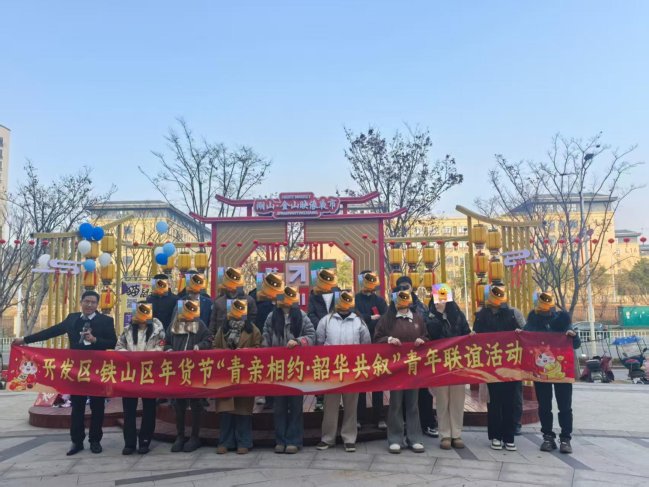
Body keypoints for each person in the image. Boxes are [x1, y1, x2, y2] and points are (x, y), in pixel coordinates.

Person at [13, 290, 117, 456]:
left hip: (97, 370)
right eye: (87, 301)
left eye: (93, 302)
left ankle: (95, 441)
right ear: (81, 302)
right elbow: (51, 332)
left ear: (97, 305)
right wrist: (25, 340)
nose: (89, 305)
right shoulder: (72, 319)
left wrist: (95, 340)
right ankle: (77, 441)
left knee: (97, 407)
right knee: (77, 407)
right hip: (76, 370)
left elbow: (113, 342)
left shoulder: (106, 320)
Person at [524, 292, 580, 454]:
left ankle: (565, 438)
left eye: (547, 310)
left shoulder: (563, 321)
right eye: (542, 310)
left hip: (562, 371)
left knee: (565, 406)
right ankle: (548, 437)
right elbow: (524, 339)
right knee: (544, 406)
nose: (545, 313)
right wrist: (520, 334)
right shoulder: (532, 322)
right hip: (541, 372)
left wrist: (573, 336)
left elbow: (576, 344)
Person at [316, 291, 371, 452]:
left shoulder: (358, 321)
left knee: (351, 405)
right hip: (332, 370)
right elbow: (319, 342)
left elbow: (366, 343)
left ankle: (349, 438)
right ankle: (328, 438)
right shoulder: (326, 320)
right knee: (330, 405)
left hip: (352, 370)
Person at [263, 286, 316, 454]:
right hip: (277, 368)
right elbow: (265, 338)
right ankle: (280, 440)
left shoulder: (302, 315)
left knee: (295, 405)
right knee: (279, 406)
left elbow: (312, 336)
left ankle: (294, 440)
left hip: (296, 368)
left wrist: (298, 341)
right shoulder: (272, 316)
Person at [374, 289, 428, 454]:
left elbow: (427, 336)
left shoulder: (417, 318)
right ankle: (395, 438)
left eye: (405, 297)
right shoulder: (387, 319)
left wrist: (422, 340)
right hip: (395, 368)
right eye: (400, 297)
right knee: (396, 403)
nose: (403, 301)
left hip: (413, 367)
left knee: (413, 403)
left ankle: (415, 438)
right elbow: (376, 338)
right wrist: (389, 339)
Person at [473, 285, 521, 451]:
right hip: (491, 364)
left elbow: (524, 332)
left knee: (510, 402)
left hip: (510, 364)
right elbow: (476, 335)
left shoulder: (512, 314)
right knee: (494, 402)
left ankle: (509, 436)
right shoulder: (481, 315)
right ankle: (495, 436)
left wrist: (519, 332)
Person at [115, 301, 165, 455]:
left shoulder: (158, 330)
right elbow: (119, 347)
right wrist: (130, 357)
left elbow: (161, 348)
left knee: (149, 409)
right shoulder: (127, 330)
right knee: (129, 409)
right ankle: (129, 443)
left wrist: (144, 357)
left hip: (149, 373)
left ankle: (144, 441)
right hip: (130, 373)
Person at [213, 298, 261, 455]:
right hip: (225, 375)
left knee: (243, 411)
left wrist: (247, 353)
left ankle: (244, 442)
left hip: (244, 374)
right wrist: (224, 354)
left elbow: (259, 349)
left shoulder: (252, 329)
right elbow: (214, 347)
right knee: (225, 411)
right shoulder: (222, 329)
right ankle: (225, 442)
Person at [166, 299, 213, 452]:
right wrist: (168, 349)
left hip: (194, 370)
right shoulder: (174, 325)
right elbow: (165, 342)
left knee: (196, 403)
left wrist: (200, 346)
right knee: (178, 404)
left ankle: (194, 436)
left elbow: (209, 339)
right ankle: (180, 436)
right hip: (178, 370)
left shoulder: (199, 324)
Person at [427, 286, 470, 450]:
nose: (440, 301)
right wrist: (438, 314)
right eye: (438, 297)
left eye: (443, 297)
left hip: (457, 363)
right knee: (442, 399)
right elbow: (432, 334)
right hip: (439, 364)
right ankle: (445, 434)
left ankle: (456, 434)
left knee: (457, 400)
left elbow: (465, 333)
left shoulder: (458, 315)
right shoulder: (430, 315)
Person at [395, 275, 438, 438]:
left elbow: (428, 329)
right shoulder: (393, 307)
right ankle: (404, 425)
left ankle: (428, 423)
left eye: (406, 287)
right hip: (399, 358)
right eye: (400, 287)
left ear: (411, 288)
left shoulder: (421, 307)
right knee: (402, 392)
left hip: (420, 356)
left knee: (423, 392)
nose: (403, 290)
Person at [354, 271, 388, 430]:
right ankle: (359, 417)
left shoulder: (380, 300)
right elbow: (355, 317)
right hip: (359, 346)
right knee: (359, 381)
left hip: (377, 345)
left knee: (378, 381)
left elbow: (385, 319)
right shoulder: (354, 299)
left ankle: (379, 417)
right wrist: (370, 318)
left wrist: (369, 319)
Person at [307, 268, 340, 411]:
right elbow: (311, 314)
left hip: (336, 336)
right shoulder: (313, 295)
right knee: (320, 368)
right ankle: (319, 399)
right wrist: (322, 325)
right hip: (320, 337)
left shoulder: (338, 293)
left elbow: (342, 311)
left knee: (335, 369)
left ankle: (336, 399)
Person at [209, 267, 257, 337]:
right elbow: (213, 322)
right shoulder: (218, 302)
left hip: (243, 339)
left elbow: (253, 321)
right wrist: (211, 337)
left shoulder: (249, 301)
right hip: (222, 338)